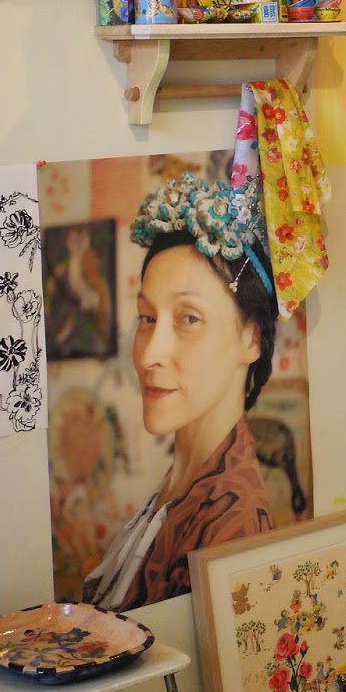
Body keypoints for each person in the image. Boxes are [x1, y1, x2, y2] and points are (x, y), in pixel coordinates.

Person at [82, 174, 278, 611]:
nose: (149, 355)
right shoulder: (183, 483)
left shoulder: (233, 523)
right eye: (147, 318)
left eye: (189, 318)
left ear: (251, 338)